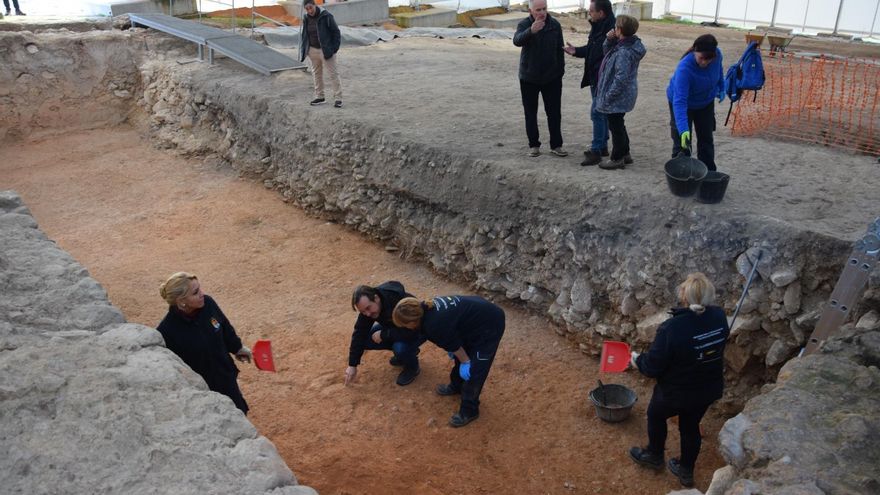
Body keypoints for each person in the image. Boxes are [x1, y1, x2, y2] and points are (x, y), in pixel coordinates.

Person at [628, 272, 730, 488]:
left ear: (684, 297)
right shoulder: (720, 317)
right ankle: (686, 470)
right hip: (707, 388)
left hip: (676, 392)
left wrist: (638, 360)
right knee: (690, 426)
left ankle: (654, 456)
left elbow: (652, 366)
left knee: (655, 415)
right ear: (709, 297)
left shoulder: (672, 328)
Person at [392, 295, 505, 427]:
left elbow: (455, 346)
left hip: (490, 324)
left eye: (404, 325)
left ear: (412, 322)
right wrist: (460, 355)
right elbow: (454, 343)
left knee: (475, 370)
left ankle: (470, 410)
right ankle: (456, 386)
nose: (405, 328)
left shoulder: (433, 324)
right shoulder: (426, 309)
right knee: (462, 355)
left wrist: (466, 362)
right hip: (474, 320)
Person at [157, 272, 252, 414]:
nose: (202, 294)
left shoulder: (208, 303)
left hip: (225, 377)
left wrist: (238, 348)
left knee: (238, 413)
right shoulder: (166, 331)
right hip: (203, 391)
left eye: (200, 288)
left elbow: (224, 327)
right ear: (181, 301)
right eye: (195, 292)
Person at [513, 0, 568, 158]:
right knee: (530, 113)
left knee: (554, 113)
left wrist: (560, 71)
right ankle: (534, 145)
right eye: (538, 9)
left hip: (552, 78)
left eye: (544, 8)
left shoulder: (554, 25)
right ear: (531, 11)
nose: (542, 12)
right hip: (529, 77)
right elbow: (517, 41)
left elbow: (560, 48)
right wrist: (531, 31)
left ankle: (556, 145)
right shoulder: (524, 24)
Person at [563, 0, 614, 166]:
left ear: (601, 13)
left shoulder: (611, 31)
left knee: (597, 112)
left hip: (603, 78)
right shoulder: (599, 25)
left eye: (591, 10)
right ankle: (603, 146)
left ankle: (596, 150)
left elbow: (601, 52)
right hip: (595, 76)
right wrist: (576, 51)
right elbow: (592, 49)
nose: (589, 13)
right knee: (601, 112)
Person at [346, 282, 425, 386]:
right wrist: (352, 365)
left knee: (400, 348)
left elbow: (414, 329)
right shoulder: (369, 308)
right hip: (395, 328)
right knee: (365, 339)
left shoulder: (398, 302)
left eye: (368, 308)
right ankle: (406, 353)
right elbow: (359, 332)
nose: (367, 314)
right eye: (363, 311)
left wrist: (384, 334)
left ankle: (412, 367)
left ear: (376, 298)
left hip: (417, 330)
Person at [593, 14, 645, 170]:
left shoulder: (624, 51)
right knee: (618, 124)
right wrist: (609, 39)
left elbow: (620, 78)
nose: (613, 29)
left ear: (620, 30)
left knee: (615, 127)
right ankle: (626, 153)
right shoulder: (625, 45)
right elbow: (607, 53)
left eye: (615, 27)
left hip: (619, 96)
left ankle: (617, 157)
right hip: (624, 95)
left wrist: (609, 96)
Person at [667, 34, 724, 171]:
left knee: (706, 138)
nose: (704, 62)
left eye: (708, 59)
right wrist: (683, 129)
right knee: (683, 143)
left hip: (705, 103)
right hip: (683, 104)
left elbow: (719, 71)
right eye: (701, 58)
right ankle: (682, 174)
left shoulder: (717, 55)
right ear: (694, 52)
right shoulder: (684, 69)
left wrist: (722, 86)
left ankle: (708, 172)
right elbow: (680, 102)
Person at [299, 0, 342, 108]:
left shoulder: (326, 16)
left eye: (310, 7)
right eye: (307, 9)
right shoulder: (306, 18)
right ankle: (320, 97)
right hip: (312, 50)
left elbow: (336, 32)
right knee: (316, 74)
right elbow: (305, 34)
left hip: (326, 51)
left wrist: (333, 49)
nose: (309, 10)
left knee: (333, 74)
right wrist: (306, 49)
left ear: (315, 5)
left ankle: (338, 98)